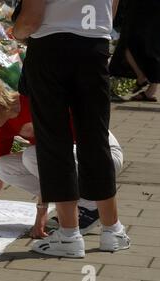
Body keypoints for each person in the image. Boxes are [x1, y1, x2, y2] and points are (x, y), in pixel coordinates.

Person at [0, 73, 123, 239]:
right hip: (69, 158)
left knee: (33, 156)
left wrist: (40, 216)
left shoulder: (33, 102)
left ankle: (90, 205)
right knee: (3, 166)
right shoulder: (3, 124)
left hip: (101, 156)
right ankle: (78, 203)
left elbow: (49, 162)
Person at [12, 0, 130, 258]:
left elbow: (30, 20)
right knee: (95, 138)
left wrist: (17, 32)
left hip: (51, 46)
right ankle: (113, 230)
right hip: (94, 46)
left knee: (54, 141)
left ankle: (69, 234)